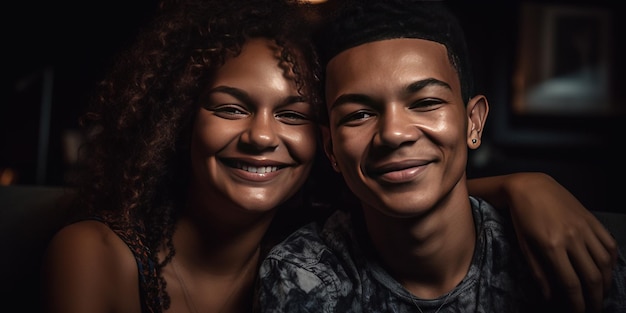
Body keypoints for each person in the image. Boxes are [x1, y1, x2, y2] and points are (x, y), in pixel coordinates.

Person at [40, 0, 618, 312]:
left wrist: (524, 186)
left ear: (323, 146)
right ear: (176, 123)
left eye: (292, 115)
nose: (262, 137)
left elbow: (414, 189)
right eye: (231, 108)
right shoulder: (99, 254)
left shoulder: (309, 228)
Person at [257, 1, 626, 312]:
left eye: (426, 102)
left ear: (473, 123)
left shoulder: (564, 250)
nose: (394, 133)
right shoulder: (304, 276)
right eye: (359, 114)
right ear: (331, 149)